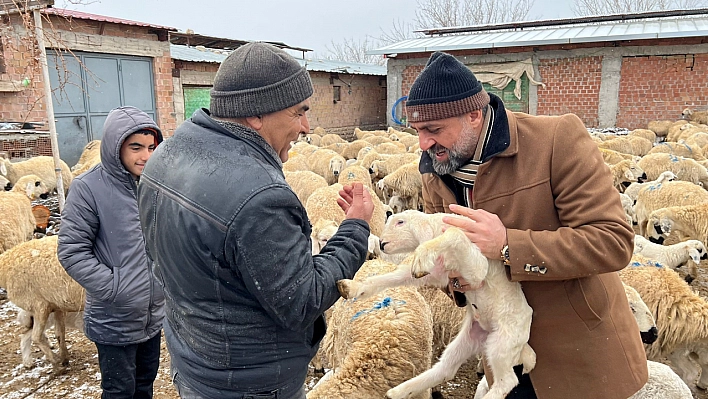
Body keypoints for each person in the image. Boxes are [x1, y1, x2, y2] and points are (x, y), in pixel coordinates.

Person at [136, 42, 374, 398]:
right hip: (250, 382)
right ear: (256, 114)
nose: (307, 126)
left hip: (194, 360)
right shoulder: (259, 198)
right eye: (298, 112)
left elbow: (161, 261)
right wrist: (355, 227)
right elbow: (302, 300)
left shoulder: (166, 156)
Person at [406, 51, 648, 399]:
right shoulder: (435, 170)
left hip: (577, 353)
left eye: (433, 129)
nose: (423, 144)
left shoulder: (556, 140)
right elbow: (449, 261)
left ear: (474, 115)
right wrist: (452, 278)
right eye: (417, 131)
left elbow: (612, 241)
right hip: (505, 357)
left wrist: (508, 246)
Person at [58, 106, 165, 399]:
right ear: (115, 146)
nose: (146, 156)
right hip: (113, 317)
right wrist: (117, 287)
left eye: (152, 147)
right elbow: (72, 251)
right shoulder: (88, 187)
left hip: (152, 315)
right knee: (119, 391)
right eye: (136, 147)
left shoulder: (155, 185)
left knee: (145, 385)